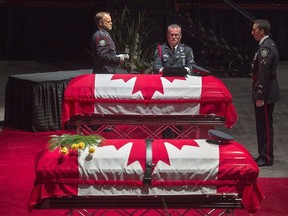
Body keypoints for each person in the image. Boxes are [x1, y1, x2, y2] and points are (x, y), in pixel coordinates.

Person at [251, 19, 280, 167]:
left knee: (265, 127)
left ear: (262, 31)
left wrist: (260, 95)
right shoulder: (266, 45)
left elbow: (263, 74)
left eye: (254, 30)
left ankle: (266, 157)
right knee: (262, 125)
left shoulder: (266, 48)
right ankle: (263, 154)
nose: (252, 32)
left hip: (266, 94)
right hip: (266, 92)